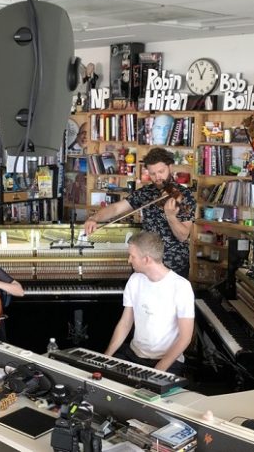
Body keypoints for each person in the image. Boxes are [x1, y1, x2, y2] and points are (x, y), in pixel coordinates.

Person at [84, 147, 195, 278]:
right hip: (146, 264)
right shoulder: (145, 192)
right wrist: (94, 218)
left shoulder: (185, 195)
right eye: (153, 174)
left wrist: (170, 216)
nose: (157, 177)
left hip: (174, 266)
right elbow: (116, 208)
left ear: (170, 167)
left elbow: (183, 236)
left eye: (161, 171)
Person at [105, 231, 194, 375]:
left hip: (167, 360)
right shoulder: (135, 280)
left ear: (146, 259)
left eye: (132, 256)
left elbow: (185, 337)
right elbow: (125, 323)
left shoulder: (181, 286)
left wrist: (158, 370)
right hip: (134, 355)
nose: (129, 260)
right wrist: (107, 355)